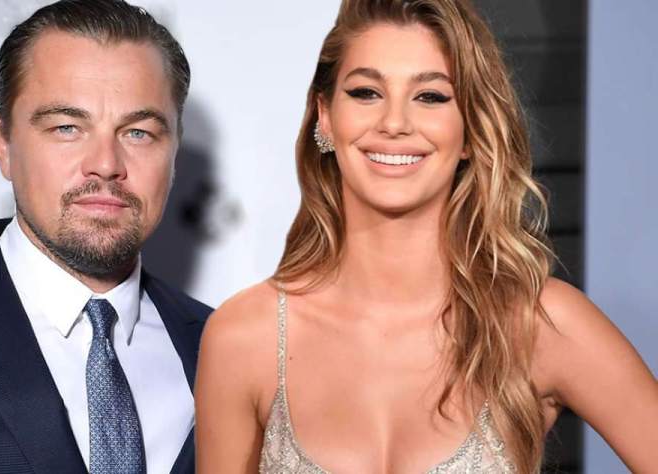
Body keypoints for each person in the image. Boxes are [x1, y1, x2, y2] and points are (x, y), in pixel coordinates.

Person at [194, 0, 658, 473]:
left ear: (472, 130)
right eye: (366, 92)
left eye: (431, 96)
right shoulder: (243, 338)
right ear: (325, 116)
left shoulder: (537, 324)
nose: (394, 123)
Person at [0, 1, 211, 473]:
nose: (106, 164)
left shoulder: (225, 350)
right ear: (3, 143)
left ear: (175, 148)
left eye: (138, 133)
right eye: (67, 128)